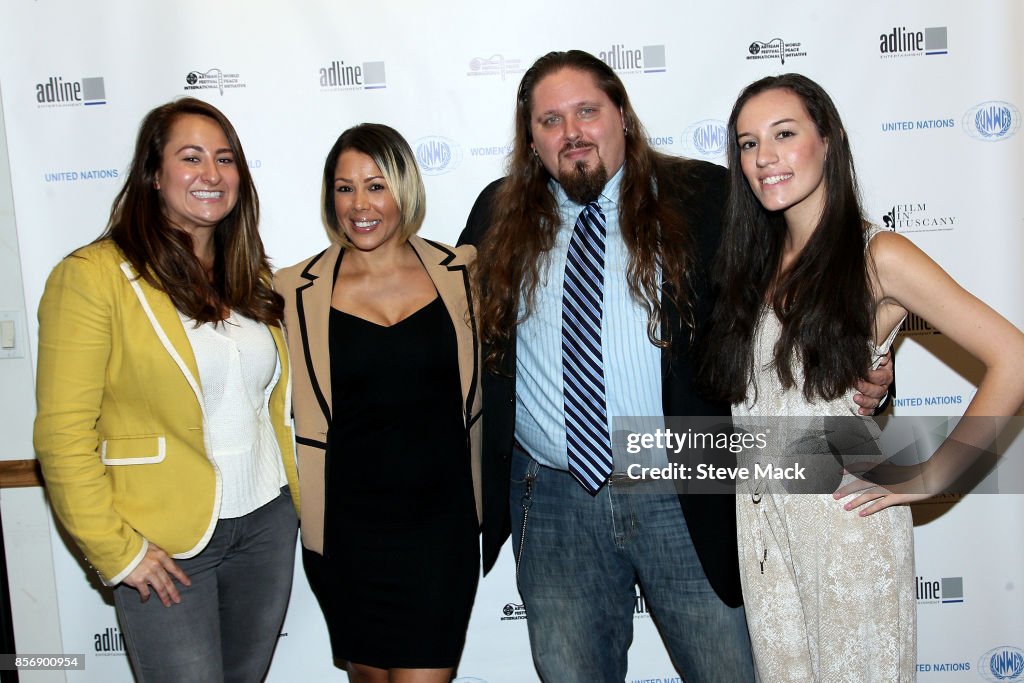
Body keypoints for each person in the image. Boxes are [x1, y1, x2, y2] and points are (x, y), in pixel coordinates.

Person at [459, 50, 892, 683]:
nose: (571, 132)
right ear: (530, 139)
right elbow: (451, 330)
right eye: (550, 120)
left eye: (587, 112)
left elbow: (811, 282)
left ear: (623, 118)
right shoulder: (496, 213)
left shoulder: (705, 197)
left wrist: (869, 365)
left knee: (731, 672)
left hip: (684, 481)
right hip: (551, 497)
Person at [700, 73, 1024, 681]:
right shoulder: (751, 265)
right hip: (766, 538)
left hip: (846, 531)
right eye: (747, 143)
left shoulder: (880, 257)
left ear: (829, 141)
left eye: (784, 134)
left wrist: (935, 475)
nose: (764, 157)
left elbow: (1013, 356)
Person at [33, 97, 299, 683]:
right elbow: (61, 436)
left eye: (225, 159)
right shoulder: (92, 277)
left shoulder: (249, 275)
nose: (212, 174)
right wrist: (117, 551)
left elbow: (269, 407)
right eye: (191, 157)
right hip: (166, 543)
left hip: (265, 527)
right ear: (154, 174)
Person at [275, 123, 485, 683]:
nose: (360, 205)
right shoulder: (292, 291)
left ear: (404, 189)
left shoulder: (464, 274)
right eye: (344, 188)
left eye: (376, 185)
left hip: (442, 530)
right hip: (347, 535)